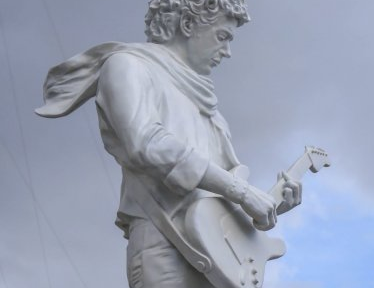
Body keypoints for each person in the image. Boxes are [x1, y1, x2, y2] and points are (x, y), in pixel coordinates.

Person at [35, 0, 302, 287]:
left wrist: (269, 206)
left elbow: (221, 202)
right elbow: (146, 143)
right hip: (164, 247)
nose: (227, 53)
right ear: (188, 25)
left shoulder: (214, 115)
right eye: (222, 37)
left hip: (219, 259)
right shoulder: (127, 66)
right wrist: (242, 192)